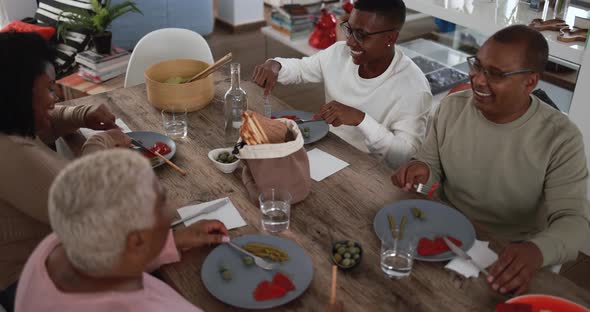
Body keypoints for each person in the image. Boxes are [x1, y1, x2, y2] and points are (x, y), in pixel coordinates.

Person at [392, 25, 590, 295]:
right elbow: (431, 163)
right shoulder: (452, 108)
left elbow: (573, 221)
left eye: (495, 74)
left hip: (511, 253)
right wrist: (421, 170)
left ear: (530, 82)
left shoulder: (560, 138)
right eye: (477, 66)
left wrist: (536, 251)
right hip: (447, 233)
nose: (479, 80)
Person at [0, 32, 130, 311]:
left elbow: (44, 120)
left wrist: (82, 115)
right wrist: (103, 142)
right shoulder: (10, 151)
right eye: (48, 89)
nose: (55, 97)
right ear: (18, 93)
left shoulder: (10, 119)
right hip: (29, 280)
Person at [15, 149, 230, 311]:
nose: (171, 206)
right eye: (162, 201)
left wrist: (173, 240)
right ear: (137, 241)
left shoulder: (53, 247)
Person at [252, 0, 432, 168]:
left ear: (390, 38)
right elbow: (301, 68)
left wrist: (361, 119)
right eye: (350, 29)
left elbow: (403, 157)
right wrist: (276, 65)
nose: (350, 41)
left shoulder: (414, 88)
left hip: (370, 171)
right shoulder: (339, 52)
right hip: (326, 150)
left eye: (361, 35)